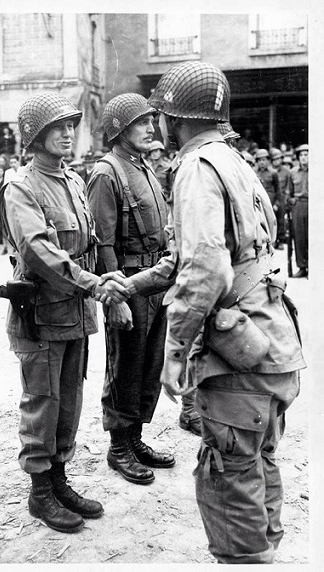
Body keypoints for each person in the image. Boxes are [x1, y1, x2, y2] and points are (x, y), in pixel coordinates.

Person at [121, 61, 305, 564]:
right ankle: (263, 551)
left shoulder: (196, 169)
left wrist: (175, 350)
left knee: (229, 471)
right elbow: (218, 254)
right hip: (273, 340)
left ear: (171, 118)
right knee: (258, 458)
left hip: (239, 350)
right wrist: (136, 281)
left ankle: (246, 560)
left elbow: (205, 269)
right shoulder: (234, 160)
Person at [0, 92, 129, 533]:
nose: (69, 132)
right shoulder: (21, 187)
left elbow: (89, 244)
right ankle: (40, 492)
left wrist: (110, 283)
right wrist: (94, 284)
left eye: (72, 125)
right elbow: (38, 251)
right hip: (41, 313)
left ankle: (58, 480)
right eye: (59, 127)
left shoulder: (73, 181)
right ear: (35, 136)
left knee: (69, 398)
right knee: (43, 401)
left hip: (74, 312)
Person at [87, 93, 177, 486]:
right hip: (127, 284)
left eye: (151, 122)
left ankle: (135, 437)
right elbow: (102, 242)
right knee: (125, 365)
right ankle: (118, 445)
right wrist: (114, 299)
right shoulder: (108, 173)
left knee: (149, 365)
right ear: (120, 130)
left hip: (154, 282)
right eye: (141, 123)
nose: (150, 128)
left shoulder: (140, 166)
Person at [288, 144, 309, 278]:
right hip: (298, 206)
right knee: (299, 237)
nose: (303, 158)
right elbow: (289, 193)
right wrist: (290, 201)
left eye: (306, 154)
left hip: (313, 205)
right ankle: (302, 266)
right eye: (301, 155)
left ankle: (314, 266)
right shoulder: (293, 172)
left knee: (312, 237)